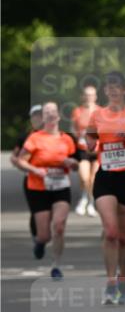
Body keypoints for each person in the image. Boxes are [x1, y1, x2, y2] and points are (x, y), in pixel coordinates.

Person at [86, 71, 125, 304]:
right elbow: (90, 137)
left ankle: (123, 279)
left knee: (124, 236)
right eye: (109, 88)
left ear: (124, 90)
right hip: (106, 177)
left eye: (117, 88)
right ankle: (110, 282)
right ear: (105, 92)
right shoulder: (98, 114)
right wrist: (90, 143)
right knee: (111, 232)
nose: (113, 91)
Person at [15, 101, 79, 279]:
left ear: (58, 116)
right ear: (43, 118)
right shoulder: (35, 138)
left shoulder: (67, 139)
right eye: (46, 112)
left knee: (59, 226)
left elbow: (76, 163)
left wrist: (72, 163)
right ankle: (40, 242)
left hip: (61, 187)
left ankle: (56, 265)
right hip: (38, 187)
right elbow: (21, 160)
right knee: (44, 235)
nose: (50, 115)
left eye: (53, 112)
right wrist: (35, 170)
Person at [10, 104, 44, 241]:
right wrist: (19, 163)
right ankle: (36, 236)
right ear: (31, 118)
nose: (38, 118)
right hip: (31, 178)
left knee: (51, 210)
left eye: (41, 115)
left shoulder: (56, 135)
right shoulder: (25, 137)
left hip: (53, 179)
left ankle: (46, 232)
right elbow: (14, 156)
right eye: (35, 116)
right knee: (36, 210)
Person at [70, 81, 100, 216]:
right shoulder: (77, 111)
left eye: (92, 95)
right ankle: (84, 197)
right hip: (82, 149)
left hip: (98, 150)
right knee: (84, 178)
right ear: (83, 97)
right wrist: (78, 137)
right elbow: (72, 128)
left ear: (96, 97)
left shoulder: (101, 111)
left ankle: (90, 203)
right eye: (87, 95)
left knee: (94, 179)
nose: (89, 97)